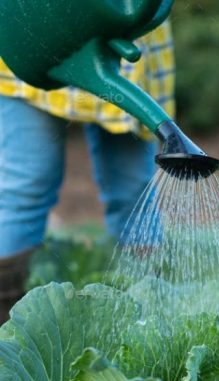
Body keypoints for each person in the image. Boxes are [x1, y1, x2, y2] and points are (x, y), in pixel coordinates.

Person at [0, 22, 175, 320]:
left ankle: (149, 323)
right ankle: (8, 327)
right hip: (32, 34)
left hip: (124, 33)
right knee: (25, 185)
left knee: (135, 191)